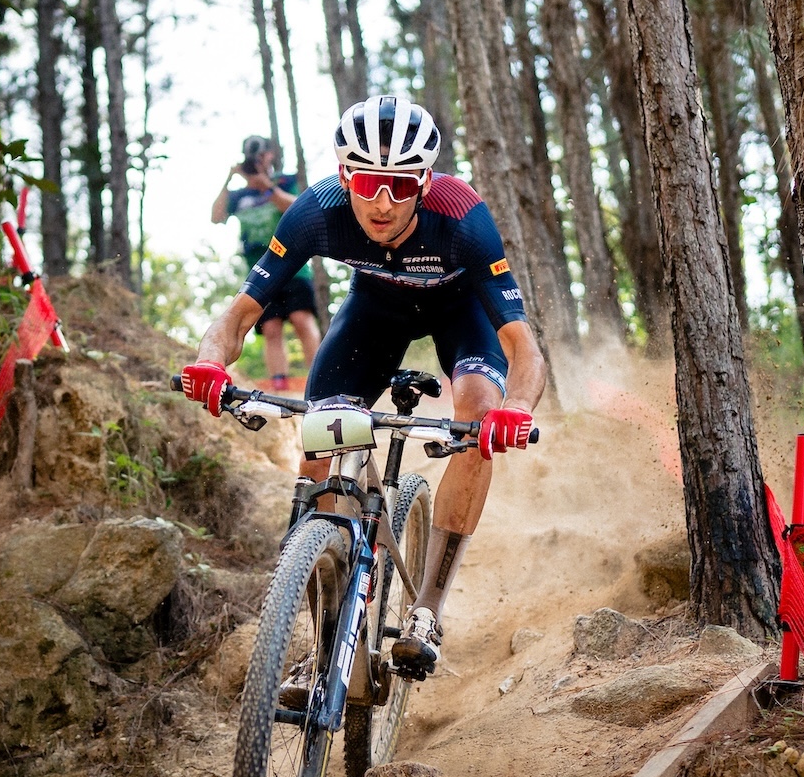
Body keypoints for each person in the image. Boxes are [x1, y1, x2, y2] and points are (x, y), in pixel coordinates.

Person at [181, 96, 545, 679]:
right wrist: (209, 363)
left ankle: (426, 608)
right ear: (346, 173)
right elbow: (241, 314)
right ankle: (331, 635)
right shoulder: (315, 211)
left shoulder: (463, 218)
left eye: (400, 186)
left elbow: (522, 346)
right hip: (374, 315)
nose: (381, 201)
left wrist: (517, 409)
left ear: (424, 182)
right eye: (369, 181)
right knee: (319, 446)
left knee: (479, 417)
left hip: (459, 313)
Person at [211, 135, 321, 392]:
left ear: (271, 155)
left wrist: (267, 188)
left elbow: (298, 208)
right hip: (260, 269)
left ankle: (319, 380)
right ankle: (280, 384)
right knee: (270, 328)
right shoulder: (239, 194)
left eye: (261, 156)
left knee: (302, 319)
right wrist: (230, 179)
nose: (258, 162)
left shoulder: (286, 181)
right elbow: (216, 217)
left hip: (294, 264)